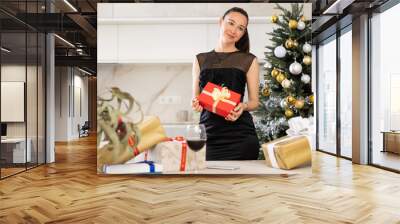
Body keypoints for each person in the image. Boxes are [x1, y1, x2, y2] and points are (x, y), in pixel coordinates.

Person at [191, 7, 260, 160]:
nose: (234, 30)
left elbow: (255, 102)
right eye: (231, 23)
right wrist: (196, 103)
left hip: (241, 137)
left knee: (242, 184)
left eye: (240, 28)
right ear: (220, 22)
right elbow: (197, 99)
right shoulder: (200, 59)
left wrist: (243, 106)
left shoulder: (249, 60)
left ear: (243, 33)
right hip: (208, 135)